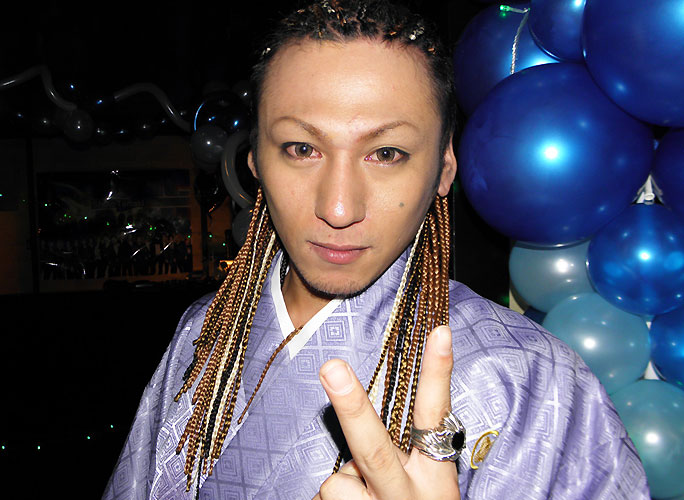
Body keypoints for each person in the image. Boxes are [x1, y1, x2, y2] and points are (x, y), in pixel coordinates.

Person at [102, 1, 649, 499]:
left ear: (444, 169)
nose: (339, 209)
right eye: (301, 148)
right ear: (255, 164)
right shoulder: (205, 332)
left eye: (386, 153)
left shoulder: (527, 379)